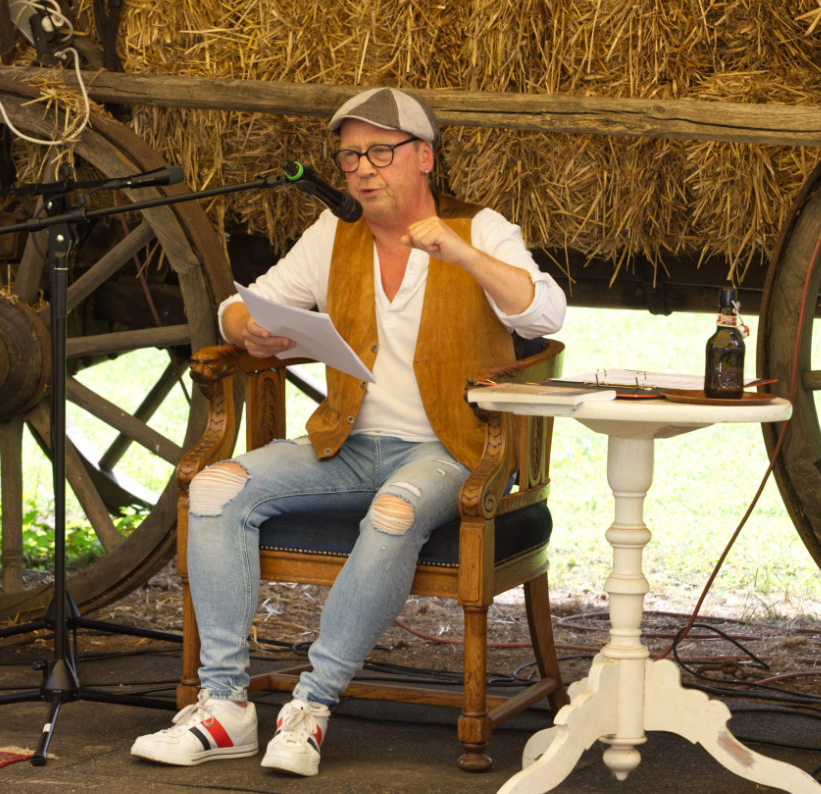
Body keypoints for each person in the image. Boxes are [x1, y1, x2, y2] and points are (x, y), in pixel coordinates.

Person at [131, 87, 567, 777]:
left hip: (451, 448)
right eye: (350, 156)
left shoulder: (480, 228)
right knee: (213, 488)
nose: (362, 169)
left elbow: (545, 316)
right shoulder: (334, 234)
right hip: (346, 443)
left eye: (380, 153)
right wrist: (250, 329)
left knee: (394, 513)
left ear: (423, 157)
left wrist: (462, 254)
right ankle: (223, 707)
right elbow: (237, 307)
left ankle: (311, 706)